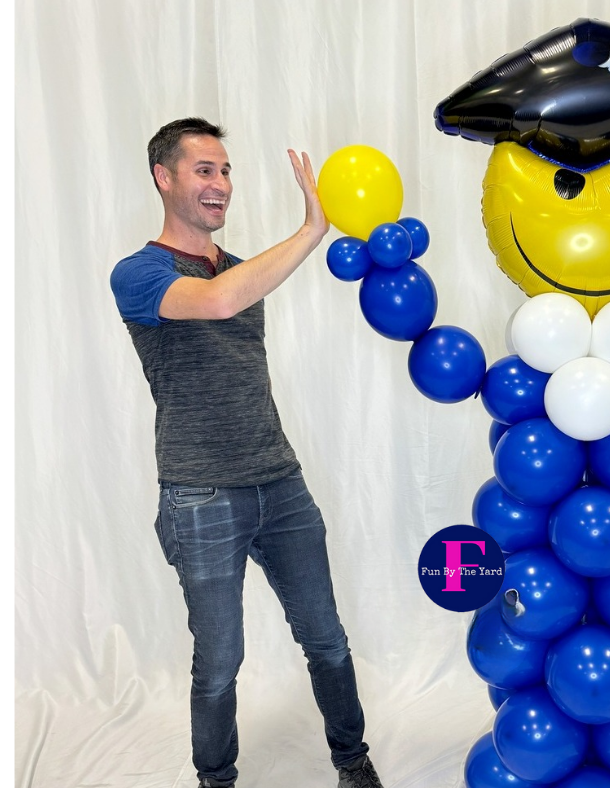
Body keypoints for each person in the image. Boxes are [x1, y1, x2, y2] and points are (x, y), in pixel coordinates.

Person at [110, 118, 384, 788]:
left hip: (279, 483)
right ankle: (217, 779)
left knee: (327, 638)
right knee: (220, 661)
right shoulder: (139, 273)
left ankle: (353, 763)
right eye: (205, 169)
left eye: (226, 171)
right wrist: (311, 230)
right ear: (163, 177)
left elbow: (234, 285)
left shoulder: (238, 268)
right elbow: (218, 300)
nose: (221, 185)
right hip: (199, 494)